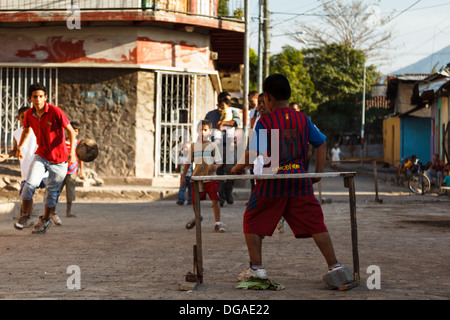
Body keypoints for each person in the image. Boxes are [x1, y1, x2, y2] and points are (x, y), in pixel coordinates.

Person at [231, 74, 345, 281]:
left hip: (271, 183)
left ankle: (256, 268)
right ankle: (335, 267)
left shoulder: (265, 121)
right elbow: (321, 143)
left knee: (252, 219)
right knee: (316, 223)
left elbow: (254, 151)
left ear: (267, 97)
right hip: (300, 181)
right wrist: (317, 174)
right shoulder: (303, 119)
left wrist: (237, 168)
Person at [14, 83, 77, 234]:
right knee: (29, 185)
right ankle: (25, 215)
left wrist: (72, 152)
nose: (38, 99)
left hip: (60, 160)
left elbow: (71, 132)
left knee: (51, 192)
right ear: (30, 98)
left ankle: (45, 219)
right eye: (35, 96)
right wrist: (20, 147)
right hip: (41, 155)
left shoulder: (55, 111)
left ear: (46, 97)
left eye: (41, 96)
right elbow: (26, 130)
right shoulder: (29, 114)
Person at [0, 106, 49, 228]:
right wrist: (6, 155)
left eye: (29, 116)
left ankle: (49, 214)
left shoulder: (38, 129)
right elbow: (15, 150)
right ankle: (28, 216)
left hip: (40, 166)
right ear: (18, 118)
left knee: (49, 191)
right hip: (25, 167)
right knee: (26, 194)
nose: (26, 119)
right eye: (23, 117)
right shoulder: (17, 133)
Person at [182, 120, 225, 232]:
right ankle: (197, 217)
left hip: (211, 178)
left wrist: (215, 166)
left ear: (210, 132)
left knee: (215, 200)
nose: (202, 132)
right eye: (200, 130)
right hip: (197, 178)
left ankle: (218, 223)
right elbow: (187, 163)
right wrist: (183, 177)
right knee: (195, 200)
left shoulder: (212, 146)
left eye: (205, 130)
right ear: (197, 131)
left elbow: (220, 161)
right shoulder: (193, 146)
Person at [205, 92, 242, 206]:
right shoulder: (211, 114)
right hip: (216, 146)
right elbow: (206, 128)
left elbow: (236, 122)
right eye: (226, 100)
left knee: (231, 170)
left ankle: (228, 191)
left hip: (229, 146)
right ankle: (220, 197)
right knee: (218, 172)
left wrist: (221, 123)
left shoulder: (233, 111)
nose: (228, 103)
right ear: (220, 101)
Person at [58, 121, 84, 218]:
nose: (74, 133)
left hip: (72, 172)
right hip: (60, 171)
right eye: (72, 130)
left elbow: (81, 158)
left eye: (76, 131)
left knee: (70, 193)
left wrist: (81, 170)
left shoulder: (78, 144)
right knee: (56, 191)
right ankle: (52, 211)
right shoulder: (62, 142)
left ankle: (68, 212)